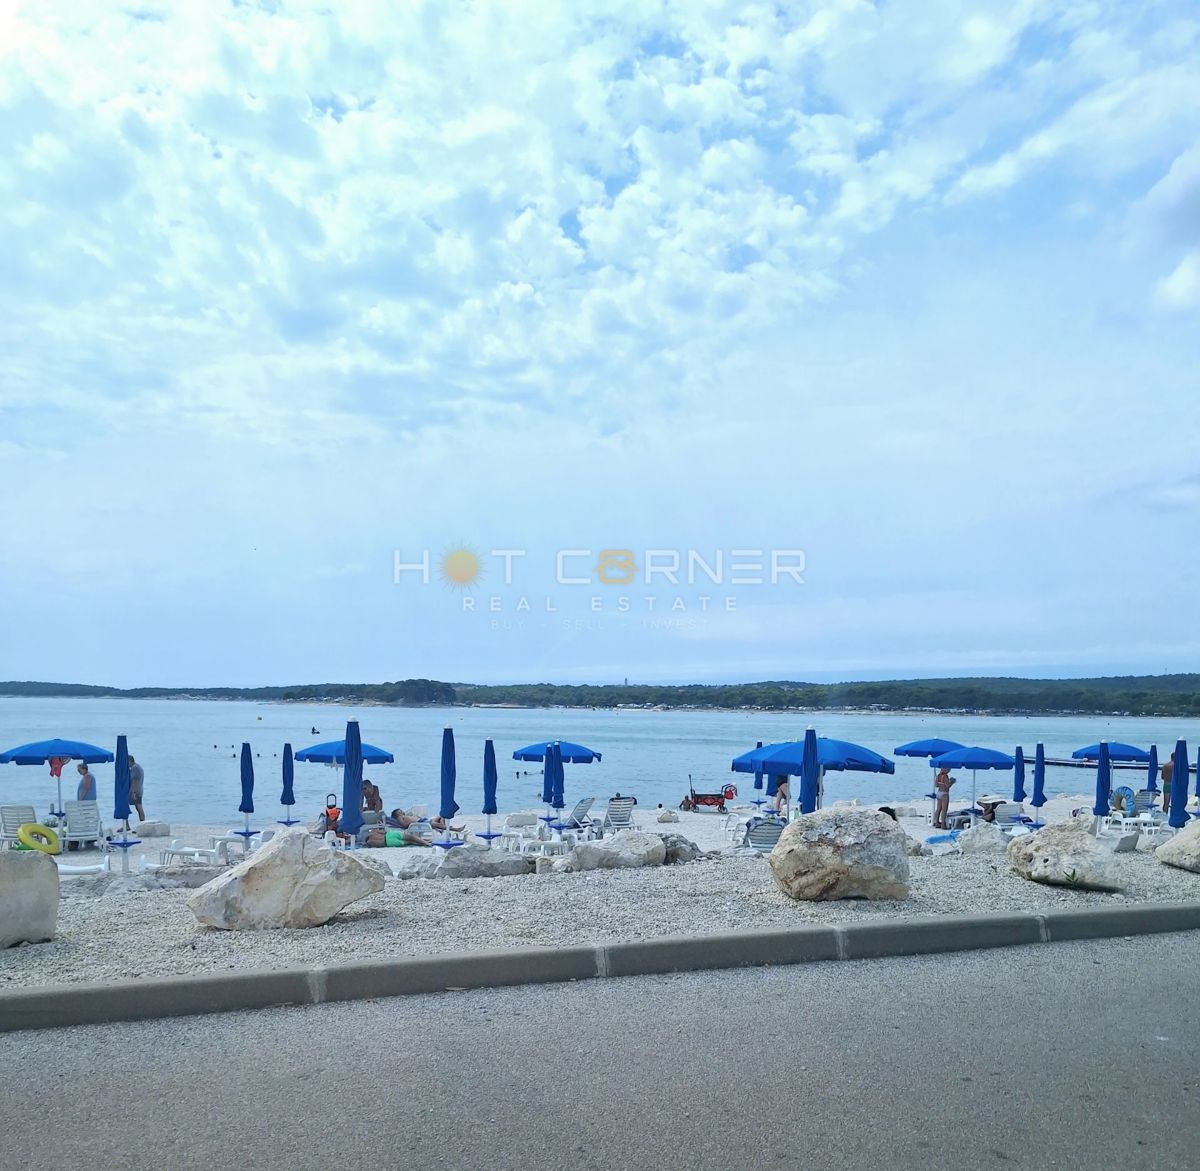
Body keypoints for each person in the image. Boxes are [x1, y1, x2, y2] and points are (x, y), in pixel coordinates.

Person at [127, 754, 146, 821]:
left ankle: (142, 821)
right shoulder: (137, 767)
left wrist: (133, 793)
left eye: (127, 762)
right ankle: (142, 821)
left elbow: (135, 780)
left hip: (136, 791)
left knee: (139, 807)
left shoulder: (135, 768)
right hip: (138, 790)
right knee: (138, 807)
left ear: (129, 761)